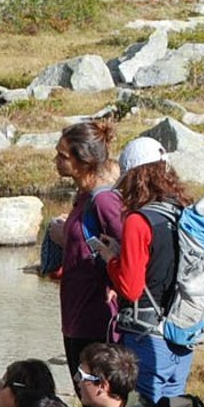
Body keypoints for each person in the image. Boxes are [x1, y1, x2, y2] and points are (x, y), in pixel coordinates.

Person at [105, 143, 195, 403]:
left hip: (147, 337)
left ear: (133, 177)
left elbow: (130, 288)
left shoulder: (138, 221)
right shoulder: (181, 211)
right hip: (181, 334)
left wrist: (112, 259)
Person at [39, 120, 126, 380]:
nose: (56, 160)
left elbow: (130, 250)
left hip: (97, 317)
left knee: (98, 396)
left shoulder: (105, 201)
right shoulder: (84, 197)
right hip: (76, 314)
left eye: (63, 155)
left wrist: (115, 284)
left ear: (85, 160)